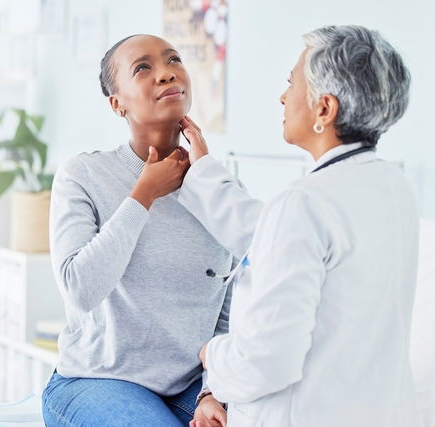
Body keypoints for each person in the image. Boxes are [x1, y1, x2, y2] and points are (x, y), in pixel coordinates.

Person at [177, 25, 420, 427]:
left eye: (291, 83)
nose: (283, 96)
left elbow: (266, 362)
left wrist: (211, 355)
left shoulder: (304, 204)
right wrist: (203, 172)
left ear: (324, 109)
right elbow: (273, 236)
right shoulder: (395, 189)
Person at [41, 34, 234, 426]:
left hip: (188, 385)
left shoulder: (222, 194)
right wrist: (143, 195)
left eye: (174, 60)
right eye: (143, 68)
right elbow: (80, 288)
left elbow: (230, 311)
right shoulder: (83, 175)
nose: (166, 73)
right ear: (117, 103)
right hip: (95, 380)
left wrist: (215, 391)